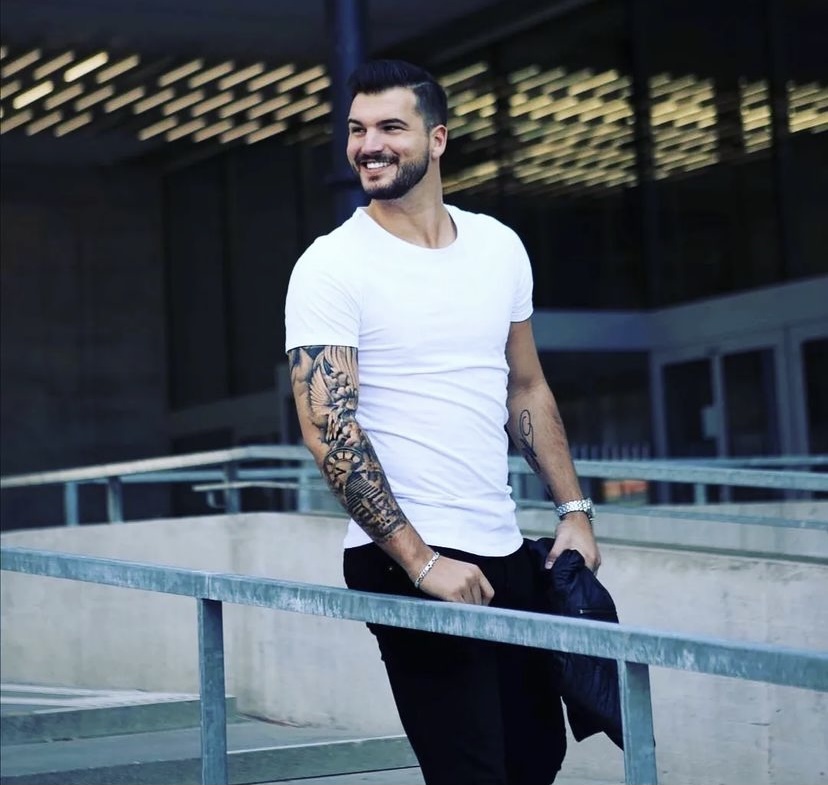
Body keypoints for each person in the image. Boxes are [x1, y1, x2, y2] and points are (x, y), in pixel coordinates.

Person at [285, 59, 601, 785]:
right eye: (357, 130)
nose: (369, 145)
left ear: (437, 139)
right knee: (471, 770)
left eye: (390, 127)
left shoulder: (498, 246)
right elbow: (329, 429)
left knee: (535, 759)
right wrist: (421, 562)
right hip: (402, 555)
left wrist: (574, 511)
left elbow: (526, 386)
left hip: (503, 547)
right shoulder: (331, 266)